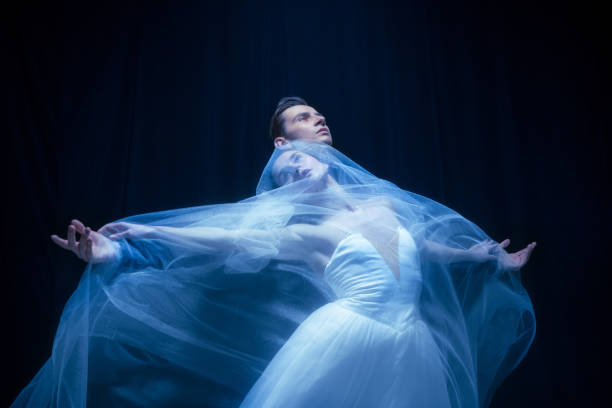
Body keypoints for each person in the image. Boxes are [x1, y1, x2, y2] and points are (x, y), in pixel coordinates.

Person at [14, 98, 536, 407]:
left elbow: (422, 247)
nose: (319, 121)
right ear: (283, 147)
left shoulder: (380, 199)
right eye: (305, 119)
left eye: (320, 115)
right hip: (347, 336)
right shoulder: (302, 222)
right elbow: (226, 238)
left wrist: (486, 258)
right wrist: (136, 239)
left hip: (411, 344)